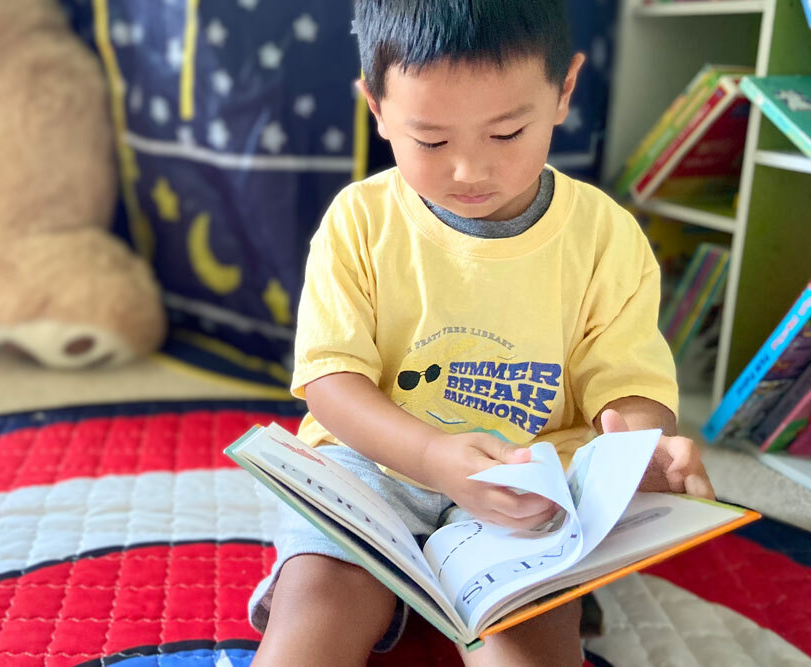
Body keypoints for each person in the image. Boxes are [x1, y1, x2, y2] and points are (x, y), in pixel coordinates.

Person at [248, 1, 715, 665]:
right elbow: (331, 381)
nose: (469, 171)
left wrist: (640, 448)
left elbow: (624, 381)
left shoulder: (604, 237)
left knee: (531, 636)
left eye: (506, 133)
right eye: (432, 141)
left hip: (533, 476)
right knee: (318, 607)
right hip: (374, 460)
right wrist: (435, 458)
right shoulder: (359, 220)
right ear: (377, 109)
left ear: (564, 92)